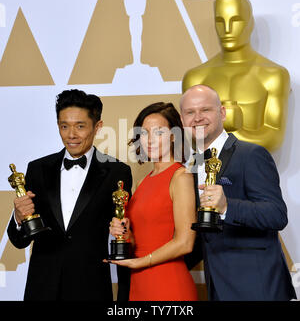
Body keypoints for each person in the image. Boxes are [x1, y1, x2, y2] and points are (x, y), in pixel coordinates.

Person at [7, 89, 132, 301]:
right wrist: (19, 218)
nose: (71, 134)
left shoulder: (117, 172)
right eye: (64, 126)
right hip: (42, 287)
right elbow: (19, 241)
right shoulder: (37, 169)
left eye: (80, 126)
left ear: (98, 127)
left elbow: (123, 233)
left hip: (91, 287)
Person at [180, 84, 297, 301]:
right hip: (218, 287)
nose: (197, 118)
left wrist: (227, 206)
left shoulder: (251, 154)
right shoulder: (191, 166)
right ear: (182, 120)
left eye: (205, 110)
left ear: (222, 113)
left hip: (259, 288)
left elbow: (276, 214)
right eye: (190, 112)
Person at [106, 102, 198, 301]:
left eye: (158, 132)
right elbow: (141, 236)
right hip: (138, 283)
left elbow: (185, 243)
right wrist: (124, 234)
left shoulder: (180, 177)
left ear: (174, 135)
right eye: (144, 133)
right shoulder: (142, 181)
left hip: (167, 283)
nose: (149, 140)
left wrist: (141, 263)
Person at [182, 0, 290, 152]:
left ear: (250, 23)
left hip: (254, 172)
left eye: (236, 20)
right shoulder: (195, 77)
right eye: (220, 21)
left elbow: (274, 138)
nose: (227, 29)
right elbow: (191, 138)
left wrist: (225, 130)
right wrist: (230, 129)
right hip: (208, 173)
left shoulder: (273, 75)